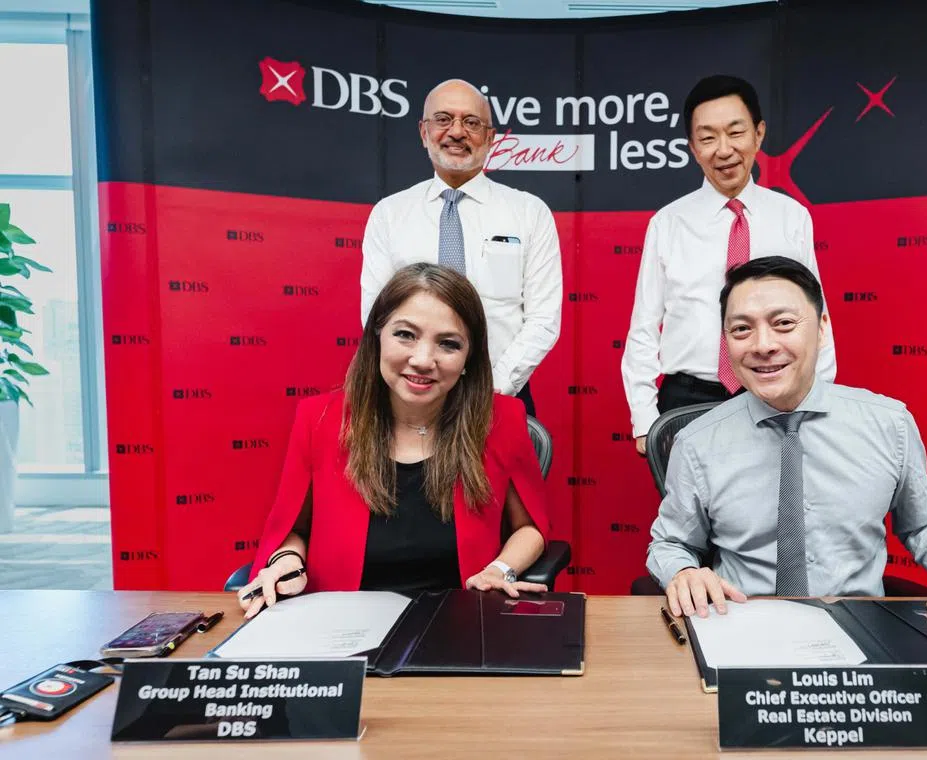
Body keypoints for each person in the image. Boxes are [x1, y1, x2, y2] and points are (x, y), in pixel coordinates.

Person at [646, 256, 927, 632]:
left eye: (783, 323)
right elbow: (670, 542)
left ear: (821, 328)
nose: (762, 345)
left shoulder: (889, 424)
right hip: (739, 626)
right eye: (741, 329)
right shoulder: (698, 441)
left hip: (861, 630)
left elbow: (926, 522)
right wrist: (683, 572)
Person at [239, 263, 550, 618]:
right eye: (405, 335)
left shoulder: (501, 419)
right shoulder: (319, 420)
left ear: (468, 358)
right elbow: (293, 529)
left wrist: (500, 570)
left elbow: (530, 528)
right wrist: (286, 563)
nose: (422, 360)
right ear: (377, 335)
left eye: (448, 344)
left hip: (461, 622)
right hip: (339, 626)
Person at [622, 74, 837, 455]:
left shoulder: (791, 217)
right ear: (691, 147)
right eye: (707, 138)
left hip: (776, 393)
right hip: (687, 400)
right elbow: (642, 329)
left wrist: (817, 399)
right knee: (691, 515)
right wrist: (644, 419)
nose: (724, 150)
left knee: (775, 511)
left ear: (758, 134)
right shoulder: (669, 223)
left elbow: (816, 317)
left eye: (735, 132)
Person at [360, 78, 562, 417]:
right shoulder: (389, 214)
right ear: (423, 132)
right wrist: (414, 380)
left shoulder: (529, 212)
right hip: (409, 397)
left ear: (490, 138)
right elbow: (375, 315)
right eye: (443, 120)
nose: (457, 132)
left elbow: (543, 319)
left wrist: (492, 387)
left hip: (502, 394)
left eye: (471, 122)